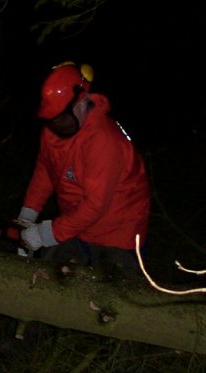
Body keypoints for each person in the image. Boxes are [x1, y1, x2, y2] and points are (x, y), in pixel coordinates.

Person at [17, 62, 150, 278]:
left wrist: (46, 234)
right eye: (51, 120)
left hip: (117, 234)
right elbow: (45, 172)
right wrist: (26, 217)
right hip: (76, 225)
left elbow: (95, 204)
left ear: (80, 102)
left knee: (110, 299)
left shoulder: (104, 141)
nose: (57, 126)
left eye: (62, 118)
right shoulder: (52, 132)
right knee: (51, 277)